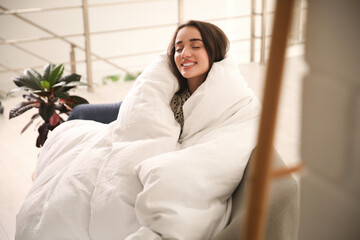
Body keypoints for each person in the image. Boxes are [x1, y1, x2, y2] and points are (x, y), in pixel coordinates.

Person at [16, 20, 261, 240]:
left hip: (168, 155)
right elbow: (142, 116)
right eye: (178, 48)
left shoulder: (230, 98)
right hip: (137, 139)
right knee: (69, 138)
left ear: (213, 50)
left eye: (195, 46)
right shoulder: (171, 87)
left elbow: (230, 136)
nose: (184, 53)